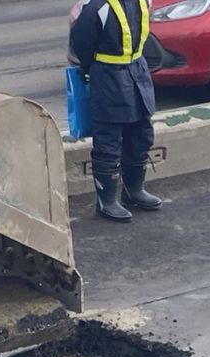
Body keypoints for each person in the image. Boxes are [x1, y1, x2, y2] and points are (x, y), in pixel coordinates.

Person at [70, 0, 161, 223]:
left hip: (137, 74)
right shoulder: (97, 6)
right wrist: (94, 69)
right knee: (108, 140)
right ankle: (106, 201)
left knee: (141, 134)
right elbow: (82, 42)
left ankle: (133, 191)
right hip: (108, 77)